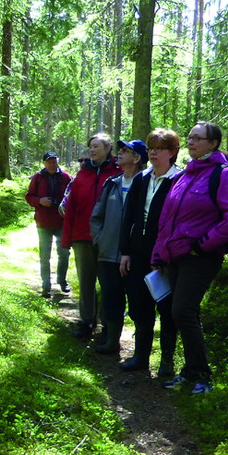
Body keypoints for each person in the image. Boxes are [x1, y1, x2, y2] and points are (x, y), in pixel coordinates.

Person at [151, 121, 228, 394]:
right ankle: (190, 371)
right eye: (190, 138)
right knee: (185, 312)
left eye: (198, 138)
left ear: (213, 143)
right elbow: (167, 220)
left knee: (182, 310)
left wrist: (202, 245)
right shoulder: (185, 176)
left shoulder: (224, 174)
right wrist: (159, 254)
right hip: (175, 258)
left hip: (200, 258)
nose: (191, 142)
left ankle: (203, 376)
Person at [118, 129, 182, 374]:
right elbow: (129, 218)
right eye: (151, 148)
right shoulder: (141, 179)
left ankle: (167, 362)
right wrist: (125, 251)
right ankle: (140, 357)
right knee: (138, 305)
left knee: (167, 309)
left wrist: (168, 254)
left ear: (172, 153)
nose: (154, 152)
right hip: (138, 253)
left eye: (160, 148)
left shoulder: (180, 180)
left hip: (167, 256)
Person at [90, 138, 148, 354]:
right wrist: (100, 239)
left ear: (137, 158)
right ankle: (112, 341)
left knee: (137, 301)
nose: (120, 153)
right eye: (120, 150)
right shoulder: (112, 183)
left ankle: (141, 352)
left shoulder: (146, 184)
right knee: (111, 297)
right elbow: (97, 216)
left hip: (135, 256)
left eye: (126, 151)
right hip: (107, 254)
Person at [61, 133, 122, 339]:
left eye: (96, 146)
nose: (92, 150)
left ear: (108, 149)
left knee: (108, 283)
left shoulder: (118, 173)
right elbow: (71, 209)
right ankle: (87, 321)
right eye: (90, 147)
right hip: (82, 236)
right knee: (86, 281)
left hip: (109, 238)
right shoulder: (82, 176)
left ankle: (108, 326)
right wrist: (67, 238)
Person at [25, 151, 72, 297]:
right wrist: (40, 201)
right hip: (43, 222)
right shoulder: (38, 177)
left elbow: (72, 194)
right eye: (49, 162)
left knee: (64, 253)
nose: (52, 164)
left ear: (58, 162)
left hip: (61, 221)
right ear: (44, 163)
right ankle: (46, 285)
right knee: (44, 255)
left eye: (54, 161)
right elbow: (29, 196)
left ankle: (62, 281)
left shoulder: (66, 177)